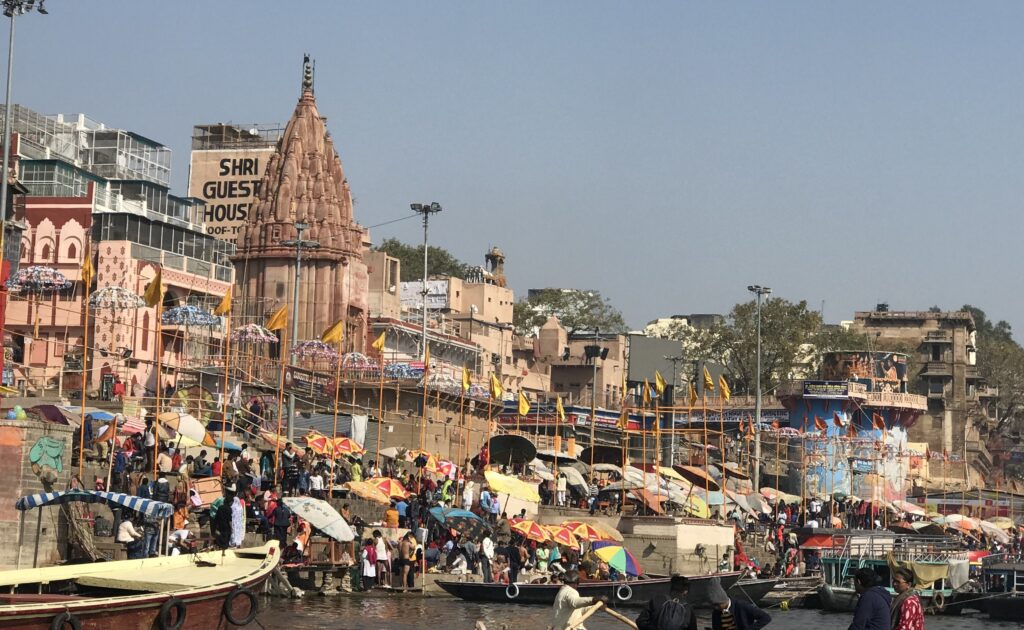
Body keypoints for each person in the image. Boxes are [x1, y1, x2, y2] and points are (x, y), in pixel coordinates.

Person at [707, 576, 772, 630]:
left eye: (717, 605)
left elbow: (766, 617)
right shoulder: (716, 613)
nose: (716, 607)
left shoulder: (742, 606)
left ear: (724, 600)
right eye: (714, 605)